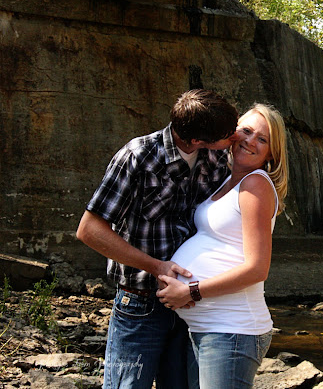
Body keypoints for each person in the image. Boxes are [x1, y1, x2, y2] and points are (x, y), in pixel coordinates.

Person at [76, 89, 239, 389]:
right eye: (228, 135)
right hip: (141, 304)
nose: (235, 137)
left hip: (192, 306)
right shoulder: (137, 157)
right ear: (196, 140)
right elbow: (89, 230)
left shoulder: (216, 155)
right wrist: (156, 267)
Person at [156, 103, 289, 389]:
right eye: (246, 131)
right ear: (232, 133)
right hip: (208, 328)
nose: (250, 141)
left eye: (262, 139)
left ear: (271, 153)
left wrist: (191, 291)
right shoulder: (228, 180)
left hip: (233, 329)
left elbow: (257, 269)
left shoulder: (256, 184)